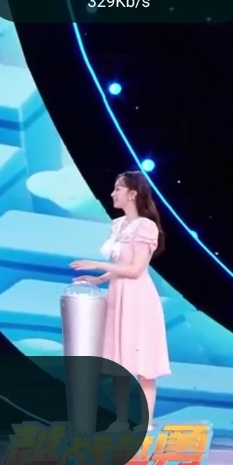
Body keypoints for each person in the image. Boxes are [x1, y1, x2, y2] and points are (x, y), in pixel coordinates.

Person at [71, 171, 170, 433]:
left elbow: (136, 269)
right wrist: (99, 279)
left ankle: (145, 421)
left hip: (138, 298)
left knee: (144, 360)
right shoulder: (117, 225)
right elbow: (121, 265)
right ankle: (122, 420)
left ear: (133, 194)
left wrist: (97, 265)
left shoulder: (146, 227)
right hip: (117, 295)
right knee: (119, 360)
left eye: (118, 189)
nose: (113, 194)